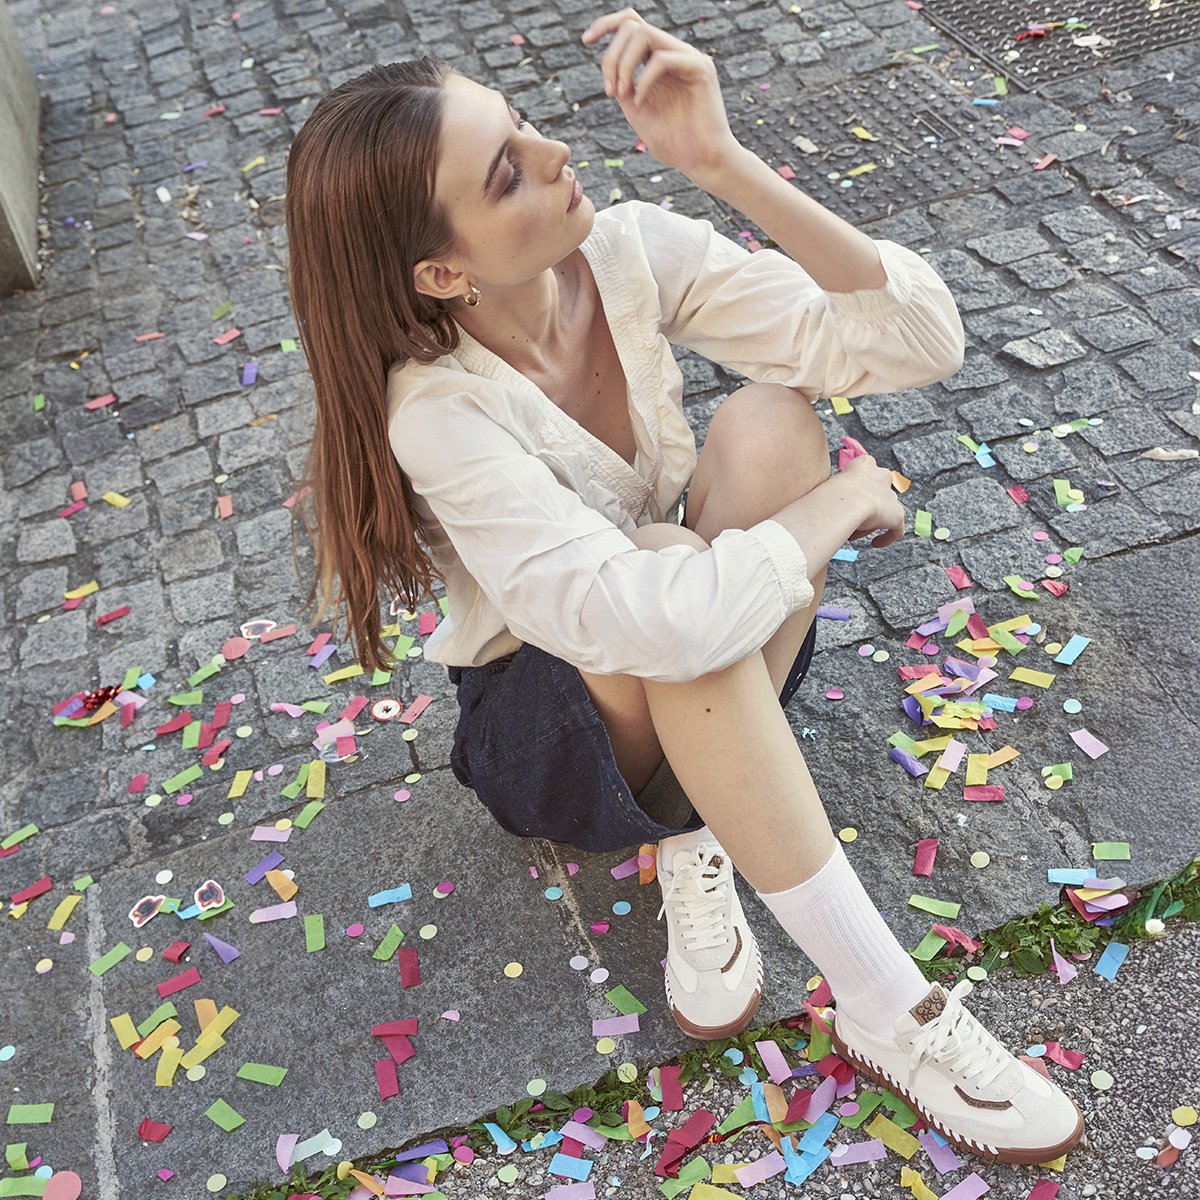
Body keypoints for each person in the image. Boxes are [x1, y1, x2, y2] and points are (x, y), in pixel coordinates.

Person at [284, 6, 1083, 1166]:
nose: (557, 150)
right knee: (670, 571)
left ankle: (708, 818)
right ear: (443, 271)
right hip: (550, 731)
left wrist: (723, 162)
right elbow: (658, 618)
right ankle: (888, 1008)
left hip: (695, 640)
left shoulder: (624, 253)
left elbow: (916, 343)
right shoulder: (439, 415)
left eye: (524, 122)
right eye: (508, 170)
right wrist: (837, 503)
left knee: (769, 420)